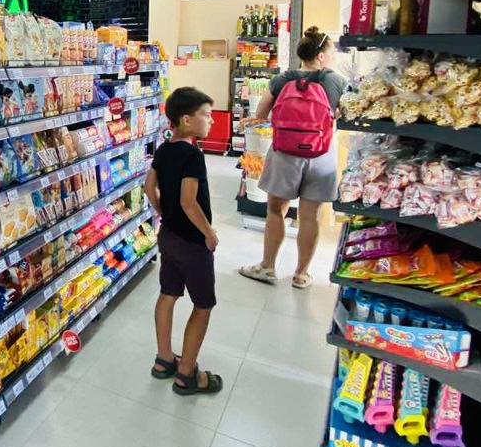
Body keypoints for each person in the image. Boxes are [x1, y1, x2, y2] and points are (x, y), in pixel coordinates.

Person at [238, 27, 346, 289]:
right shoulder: (336, 81)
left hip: (285, 154)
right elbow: (346, 114)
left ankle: (267, 267)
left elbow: (262, 113)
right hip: (321, 154)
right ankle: (301, 274)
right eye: (331, 52)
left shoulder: (282, 79)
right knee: (310, 216)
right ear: (321, 56)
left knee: (276, 210)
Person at [144, 86, 224, 396]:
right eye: (206, 115)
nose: (211, 120)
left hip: (168, 236)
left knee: (168, 294)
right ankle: (187, 373)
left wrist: (162, 212)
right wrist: (209, 233)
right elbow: (189, 202)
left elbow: (149, 186)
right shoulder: (193, 155)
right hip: (192, 242)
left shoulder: (165, 149)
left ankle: (164, 359)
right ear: (187, 119)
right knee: (203, 305)